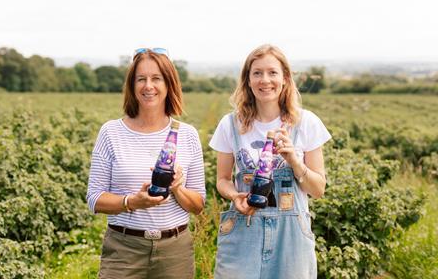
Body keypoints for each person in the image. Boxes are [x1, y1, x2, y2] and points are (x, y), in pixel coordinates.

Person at [210, 44, 331, 279]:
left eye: (272, 72)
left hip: (291, 239)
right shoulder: (230, 125)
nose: (265, 80)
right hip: (244, 230)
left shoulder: (306, 123)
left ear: (285, 78)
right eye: (257, 73)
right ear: (247, 80)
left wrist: (294, 161)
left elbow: (318, 189)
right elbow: (222, 180)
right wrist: (235, 196)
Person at [86, 48, 206, 279]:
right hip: (124, 250)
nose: (148, 86)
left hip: (175, 252)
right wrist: (132, 202)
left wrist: (177, 188)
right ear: (132, 85)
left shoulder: (187, 135)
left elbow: (198, 205)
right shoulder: (111, 132)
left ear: (169, 84)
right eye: (141, 79)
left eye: (156, 78)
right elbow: (94, 199)